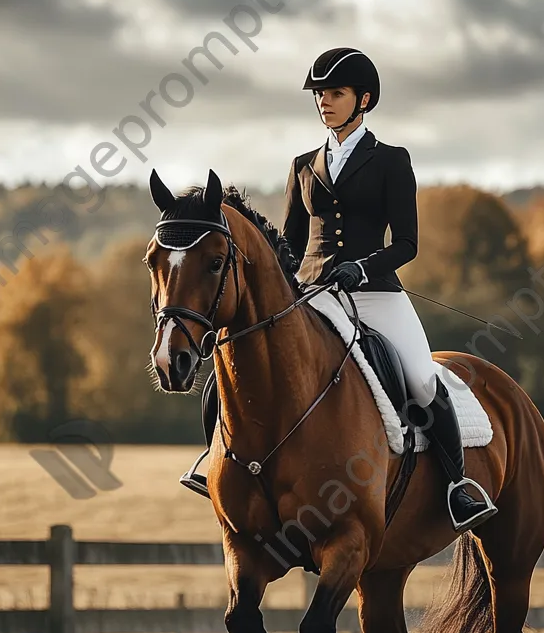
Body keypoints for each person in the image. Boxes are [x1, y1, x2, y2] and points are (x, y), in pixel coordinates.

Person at [179, 47, 497, 534]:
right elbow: (288, 242)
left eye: (335, 94)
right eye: (320, 95)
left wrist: (363, 268)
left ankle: (458, 486)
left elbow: (407, 243)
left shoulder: (391, 160)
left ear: (363, 99)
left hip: (376, 294)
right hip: (311, 294)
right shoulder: (304, 164)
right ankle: (212, 459)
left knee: (421, 379)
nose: (324, 103)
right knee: (231, 366)